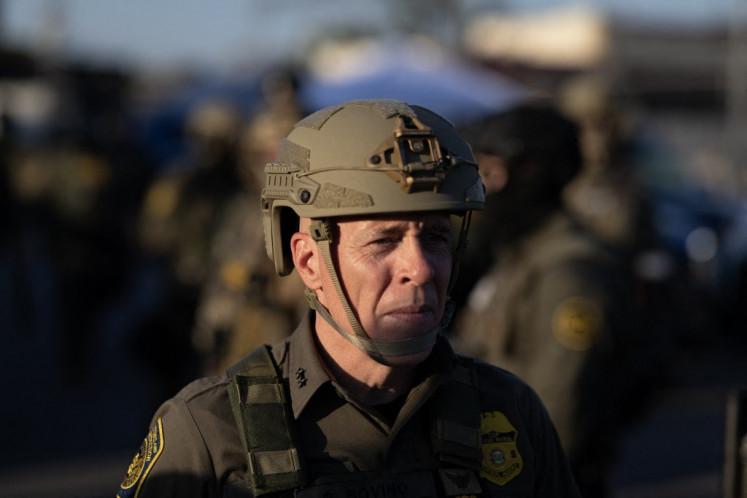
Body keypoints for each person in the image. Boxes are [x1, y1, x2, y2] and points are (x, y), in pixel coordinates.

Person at [117, 99, 581, 498]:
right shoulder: (207, 431)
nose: (420, 268)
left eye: (436, 238)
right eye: (384, 241)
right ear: (309, 262)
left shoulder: (510, 412)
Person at [453, 101, 648, 497]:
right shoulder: (517, 257)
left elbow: (559, 420)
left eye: (493, 173)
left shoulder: (569, 277)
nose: (483, 190)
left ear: (534, 173)